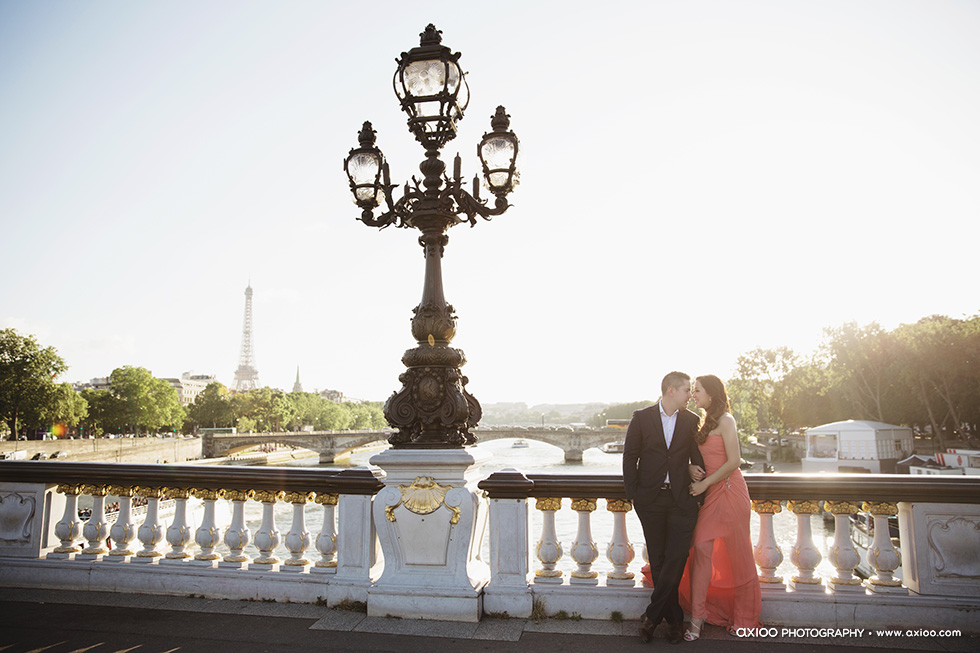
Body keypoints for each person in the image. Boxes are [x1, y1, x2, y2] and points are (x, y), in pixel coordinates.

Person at [623, 371, 706, 644]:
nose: (690, 395)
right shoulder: (641, 418)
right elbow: (630, 457)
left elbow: (697, 459)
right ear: (671, 390)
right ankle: (675, 621)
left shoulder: (691, 421)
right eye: (687, 390)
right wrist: (634, 495)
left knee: (677, 557)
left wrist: (694, 476)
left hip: (683, 500)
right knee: (658, 559)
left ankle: (652, 618)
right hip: (651, 500)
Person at [680, 374, 762, 640]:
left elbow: (734, 461)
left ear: (711, 394)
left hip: (730, 491)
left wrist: (705, 484)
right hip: (711, 493)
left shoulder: (727, 420)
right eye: (692, 391)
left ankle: (745, 617)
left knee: (739, 555)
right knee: (701, 547)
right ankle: (698, 617)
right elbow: (697, 457)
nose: (693, 395)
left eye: (697, 390)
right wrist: (690, 469)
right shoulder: (702, 421)